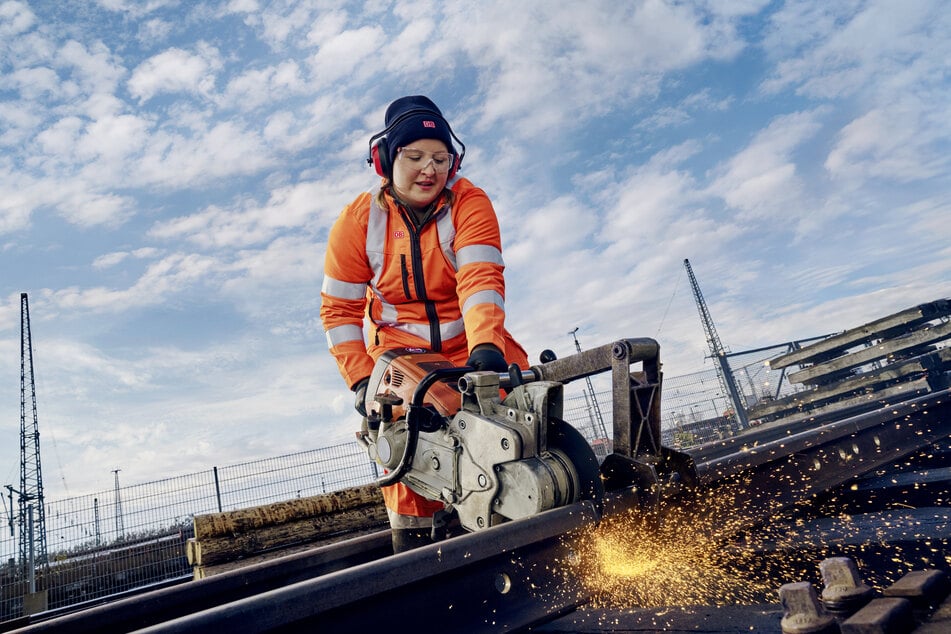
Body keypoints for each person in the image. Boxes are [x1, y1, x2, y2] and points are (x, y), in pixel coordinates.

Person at [320, 95, 529, 553]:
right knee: (405, 442)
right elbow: (339, 311)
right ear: (385, 161)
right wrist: (359, 380)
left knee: (519, 416)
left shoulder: (470, 203)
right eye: (414, 157)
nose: (428, 169)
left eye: (439, 158)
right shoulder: (358, 221)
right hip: (399, 358)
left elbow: (480, 279)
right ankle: (416, 554)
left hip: (472, 346)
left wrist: (487, 352)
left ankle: (526, 524)